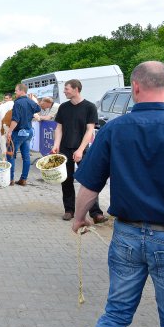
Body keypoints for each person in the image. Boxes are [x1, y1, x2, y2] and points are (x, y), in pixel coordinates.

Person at [72, 61, 164, 327]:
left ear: (135, 87)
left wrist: (78, 218)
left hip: (127, 237)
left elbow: (90, 185)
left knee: (115, 316)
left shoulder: (115, 129)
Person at [51, 79, 107, 223]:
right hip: (64, 148)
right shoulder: (63, 107)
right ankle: (69, 210)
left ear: (76, 89)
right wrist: (56, 144)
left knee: (89, 181)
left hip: (83, 149)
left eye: (67, 89)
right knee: (66, 180)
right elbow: (59, 128)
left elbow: (90, 130)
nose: (64, 91)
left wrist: (80, 150)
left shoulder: (89, 107)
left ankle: (95, 213)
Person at [6, 83, 41, 186]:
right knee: (26, 156)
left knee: (10, 155)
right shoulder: (30, 102)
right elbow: (38, 109)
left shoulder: (17, 103)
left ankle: (10, 179)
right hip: (29, 131)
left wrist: (9, 131)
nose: (15, 92)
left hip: (19, 132)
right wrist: (34, 100)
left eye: (16, 90)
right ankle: (23, 179)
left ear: (22, 91)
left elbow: (15, 119)